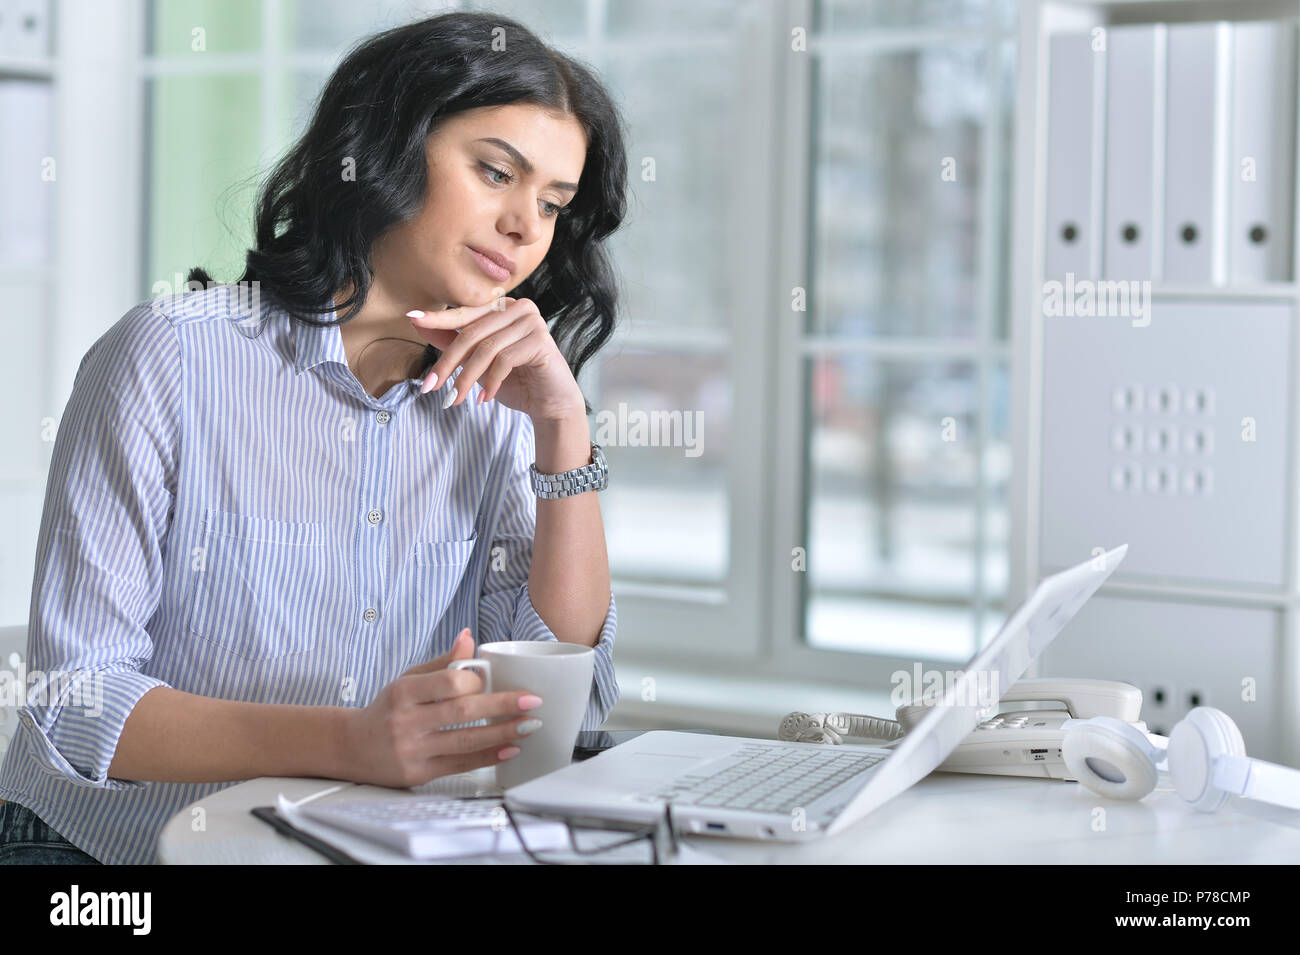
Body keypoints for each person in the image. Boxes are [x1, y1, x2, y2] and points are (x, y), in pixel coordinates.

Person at [0, 10, 628, 865]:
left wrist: (563, 432)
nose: (526, 226)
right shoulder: (171, 357)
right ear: (385, 149)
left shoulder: (498, 408)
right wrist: (352, 740)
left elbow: (566, 708)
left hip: (344, 846)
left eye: (553, 204)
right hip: (103, 855)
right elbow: (76, 701)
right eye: (494, 172)